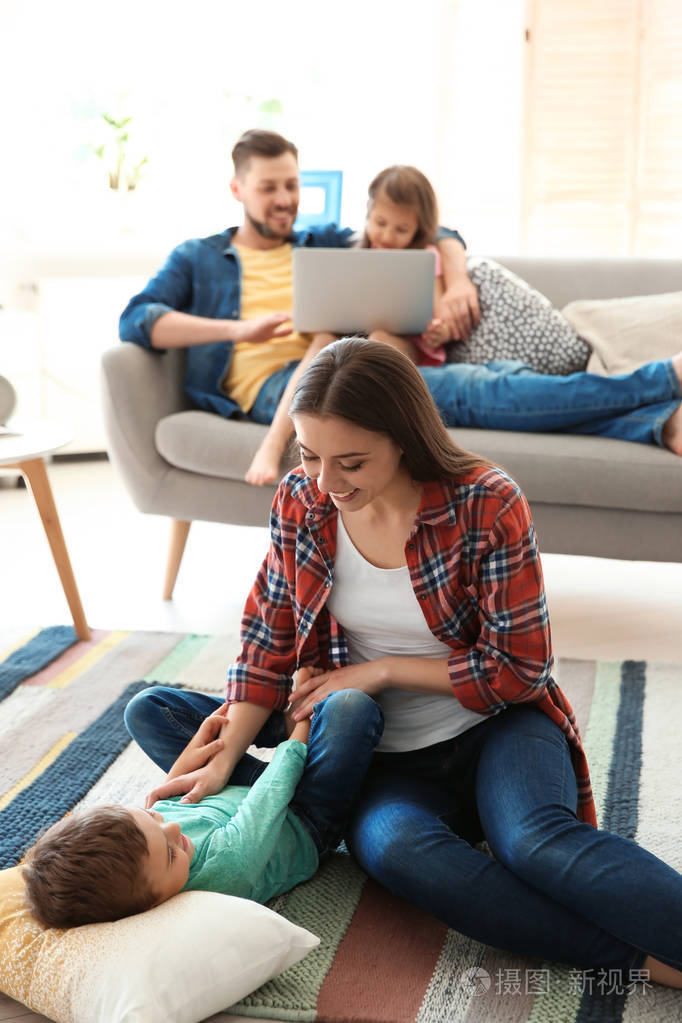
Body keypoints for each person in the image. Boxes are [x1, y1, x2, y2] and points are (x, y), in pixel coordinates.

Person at [125, 338, 682, 988]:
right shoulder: (302, 501)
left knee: (532, 842)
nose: (327, 482)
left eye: (352, 461)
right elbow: (268, 640)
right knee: (395, 849)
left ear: (403, 438)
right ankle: (638, 959)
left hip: (497, 726)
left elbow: (519, 668)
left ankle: (303, 805)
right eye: (309, 455)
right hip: (377, 757)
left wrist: (381, 669)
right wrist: (228, 751)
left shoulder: (486, 502)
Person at [118, 129, 478, 464]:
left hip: (338, 366)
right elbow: (137, 320)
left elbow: (427, 226)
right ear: (237, 189)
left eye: (292, 185)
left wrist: (459, 280)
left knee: (436, 380)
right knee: (444, 389)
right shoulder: (198, 257)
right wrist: (238, 331)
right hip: (271, 387)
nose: (285, 199)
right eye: (268, 188)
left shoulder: (322, 241)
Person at [22, 675, 384, 928]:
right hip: (301, 816)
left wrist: (199, 754)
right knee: (350, 707)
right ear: (152, 906)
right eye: (169, 851)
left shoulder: (147, 848)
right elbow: (273, 791)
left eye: (151, 819)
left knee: (148, 707)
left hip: (238, 792)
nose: (173, 826)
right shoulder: (224, 874)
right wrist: (302, 715)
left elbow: (175, 799)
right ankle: (295, 721)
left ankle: (269, 718)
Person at [245, 164, 454, 486]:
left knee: (380, 336)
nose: (386, 235)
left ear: (418, 228)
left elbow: (438, 315)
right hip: (353, 341)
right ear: (368, 215)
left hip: (404, 344)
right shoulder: (355, 251)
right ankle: (274, 441)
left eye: (401, 229)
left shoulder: (428, 256)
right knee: (323, 341)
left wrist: (440, 329)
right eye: (380, 223)